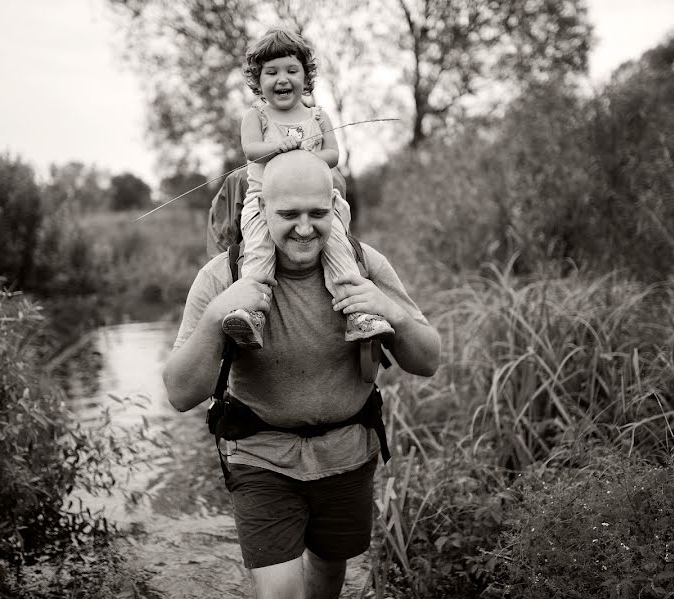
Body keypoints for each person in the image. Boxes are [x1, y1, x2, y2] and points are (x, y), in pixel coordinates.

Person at [163, 151, 440, 598]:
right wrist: (218, 314)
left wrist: (391, 312)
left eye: (318, 212)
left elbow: (428, 360)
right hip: (261, 457)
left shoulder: (364, 265)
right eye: (288, 214)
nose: (305, 227)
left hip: (348, 455)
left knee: (328, 576)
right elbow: (180, 393)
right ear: (260, 210)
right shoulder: (222, 276)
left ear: (336, 206)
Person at [221, 27, 394, 350]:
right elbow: (251, 151)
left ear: (305, 76)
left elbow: (333, 154)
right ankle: (251, 313)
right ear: (258, 81)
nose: (282, 79)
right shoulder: (256, 115)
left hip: (317, 202)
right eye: (271, 72)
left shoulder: (318, 115)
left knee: (339, 248)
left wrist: (310, 155)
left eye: (291, 70)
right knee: (259, 251)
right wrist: (280, 147)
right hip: (265, 203)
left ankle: (357, 315)